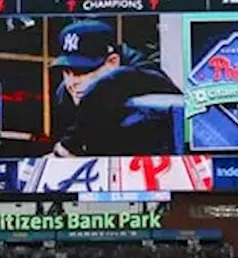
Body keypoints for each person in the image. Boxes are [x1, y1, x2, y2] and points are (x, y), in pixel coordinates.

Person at [49, 20, 182, 156]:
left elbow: (112, 83)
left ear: (113, 62)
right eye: (67, 72)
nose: (72, 82)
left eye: (82, 71)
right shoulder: (64, 94)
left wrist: (72, 142)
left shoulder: (144, 78)